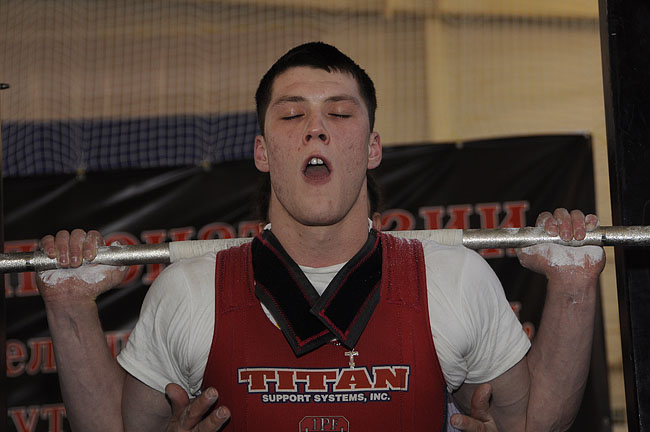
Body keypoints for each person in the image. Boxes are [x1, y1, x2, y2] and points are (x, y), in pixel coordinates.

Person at [35, 42, 605, 431]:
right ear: (263, 152)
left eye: (339, 113)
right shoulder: (188, 291)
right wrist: (69, 305)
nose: (315, 128)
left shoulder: (454, 280)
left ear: (373, 148)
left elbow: (534, 422)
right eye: (291, 116)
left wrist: (574, 288)